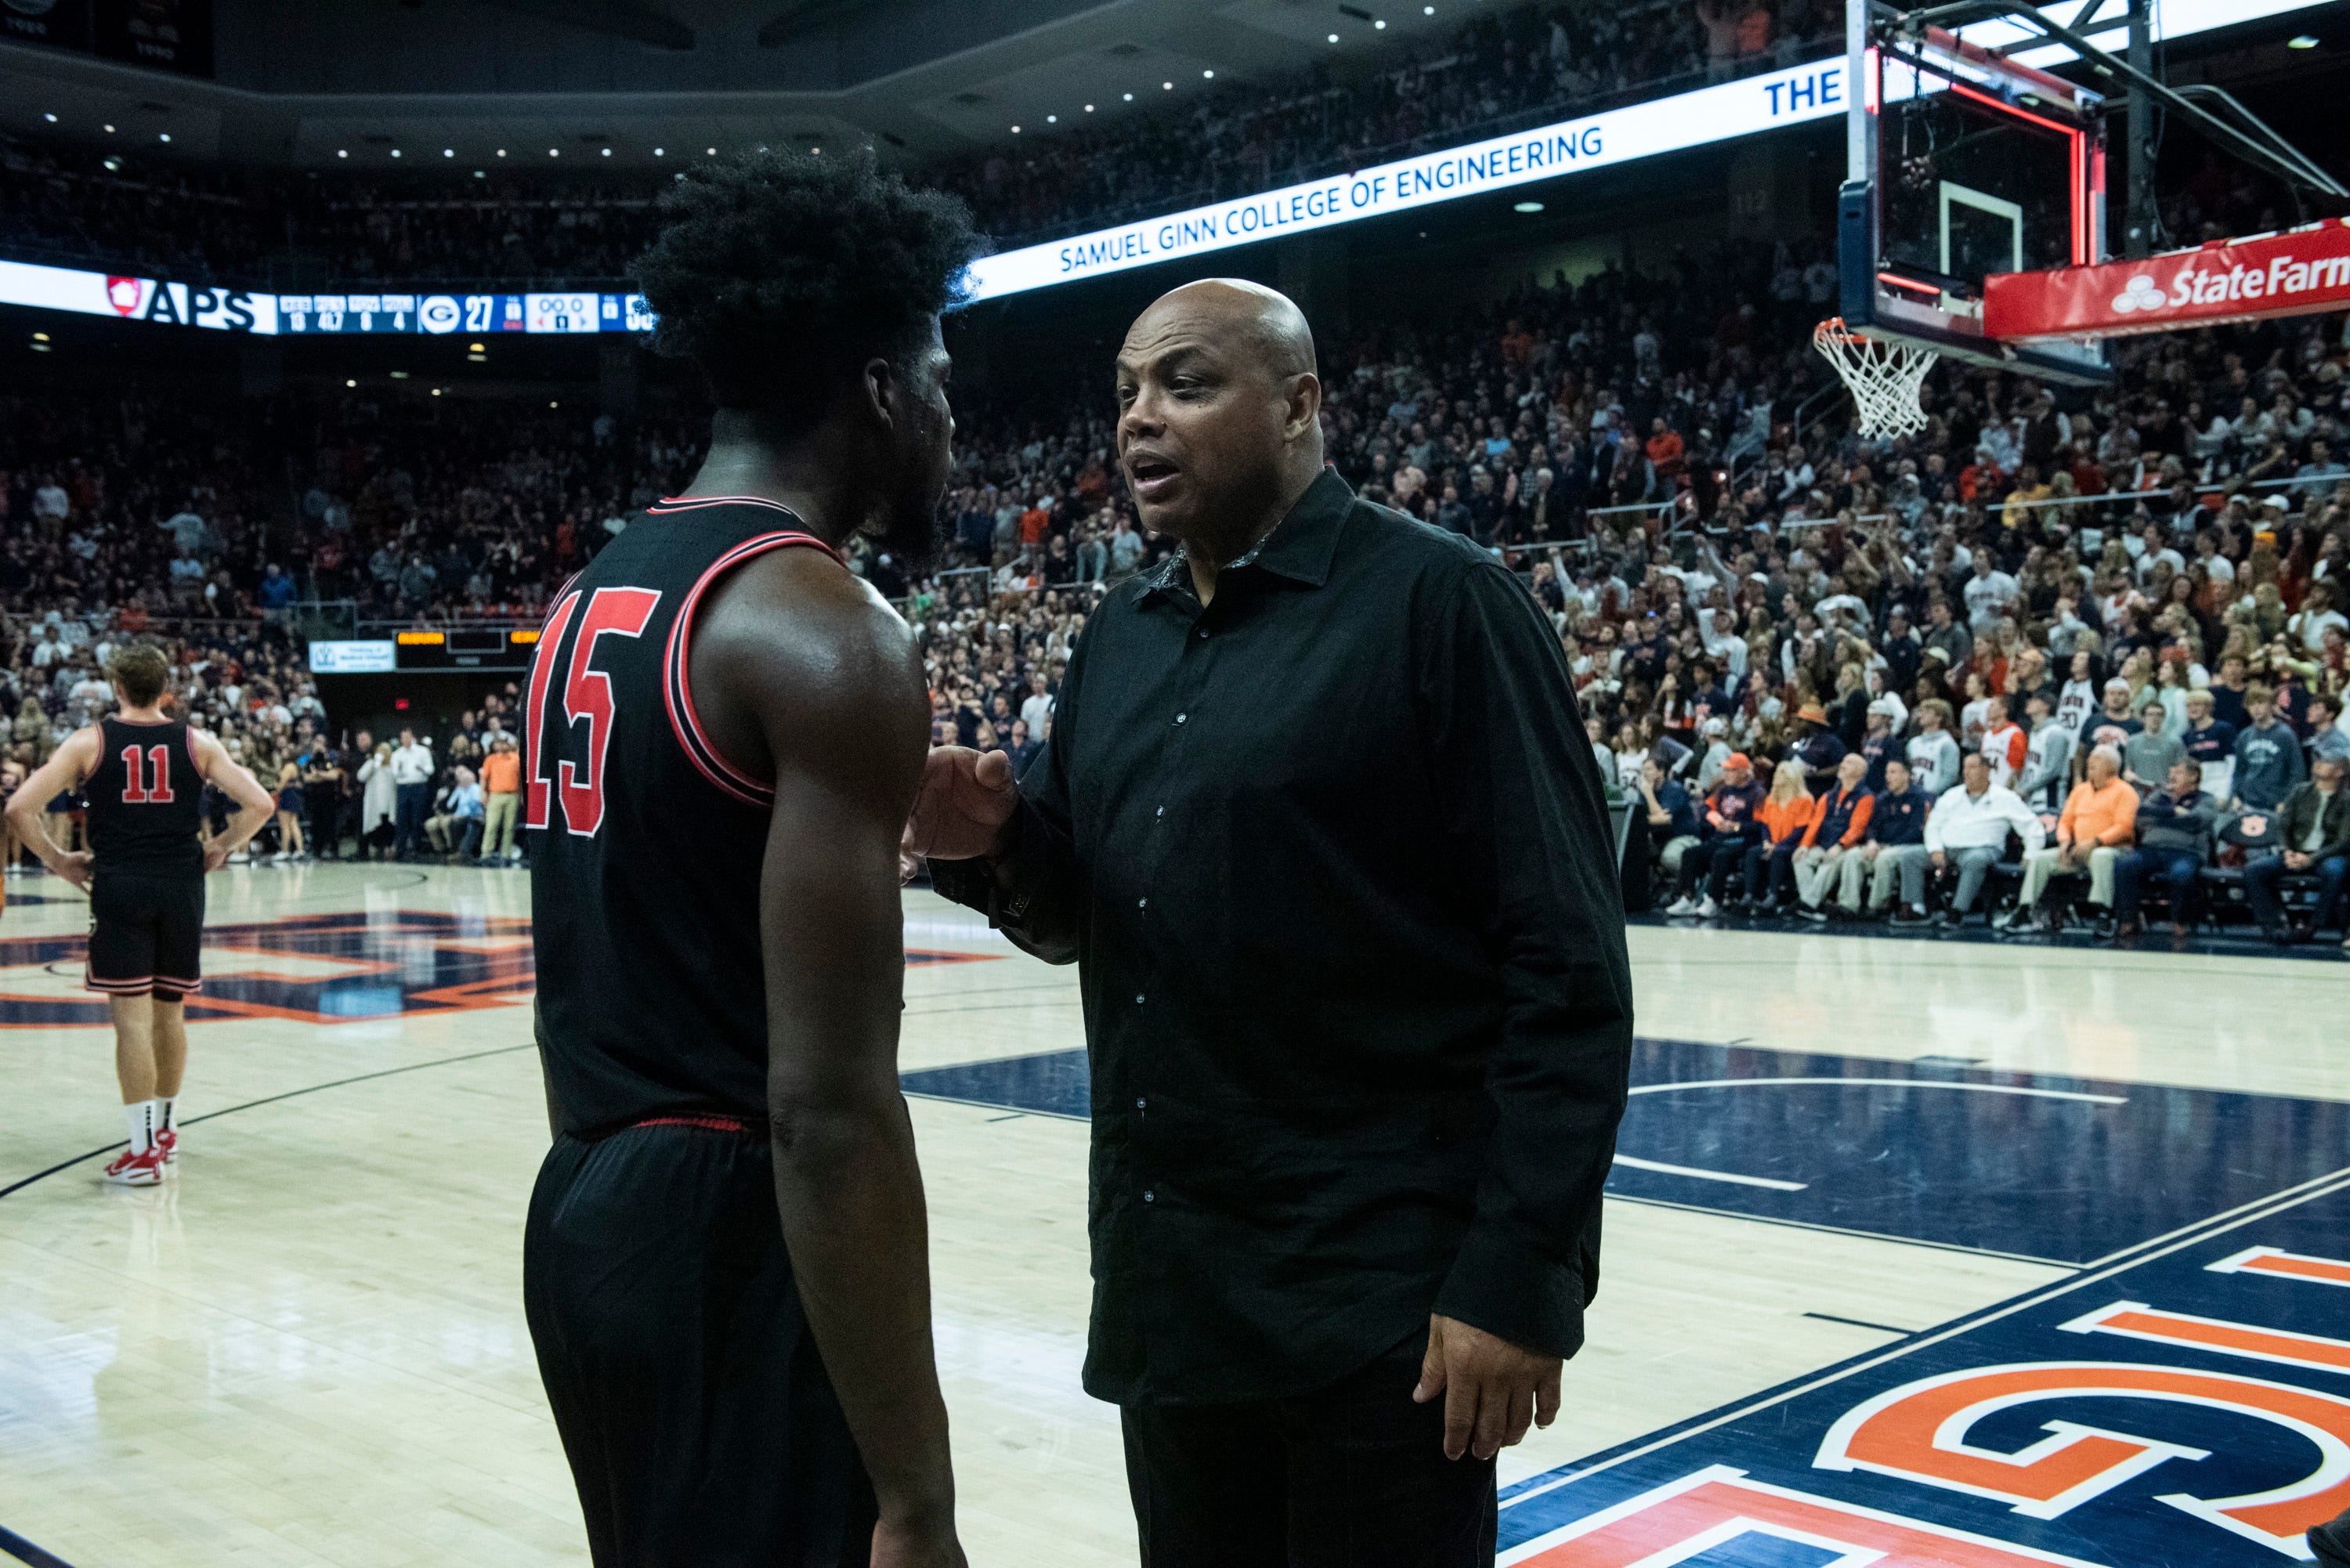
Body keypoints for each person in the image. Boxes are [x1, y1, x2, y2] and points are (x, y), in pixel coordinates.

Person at [909, 276, 1632, 1567]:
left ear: (1300, 403)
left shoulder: (1443, 604)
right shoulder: (1116, 640)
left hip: (1385, 1317)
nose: (1141, 420)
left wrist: (1519, 1278)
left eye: (1185, 384)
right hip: (1173, 1294)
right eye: (1127, 391)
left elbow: (1568, 967)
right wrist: (1002, 843)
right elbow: (1082, 915)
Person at [522, 151, 976, 1567]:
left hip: (588, 1199)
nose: (956, 416)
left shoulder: (590, 591)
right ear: (884, 390)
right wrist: (919, 1496)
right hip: (731, 1227)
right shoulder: (825, 628)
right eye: (943, 378)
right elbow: (827, 1108)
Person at [3, 644, 273, 1187]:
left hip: (121, 884)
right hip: (180, 886)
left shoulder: (89, 742)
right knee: (169, 1015)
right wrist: (220, 846)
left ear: (117, 687)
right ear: (165, 688)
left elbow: (17, 808)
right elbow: (262, 804)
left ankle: (142, 1150)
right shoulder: (198, 742)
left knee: (131, 1022)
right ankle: (166, 1133)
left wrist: (59, 861)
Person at [2010, 744, 2136, 935]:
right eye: (2091, 758)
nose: (2090, 762)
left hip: (2113, 850)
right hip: (2077, 850)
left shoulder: (2125, 792)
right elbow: (2065, 821)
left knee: (2100, 856)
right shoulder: (2080, 790)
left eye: (2097, 759)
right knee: (2040, 859)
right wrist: (2064, 843)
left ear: (2112, 767)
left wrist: (2094, 842)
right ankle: (2024, 910)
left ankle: (2104, 915)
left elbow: (2124, 828)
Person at [1923, 752, 2045, 928]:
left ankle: (1957, 912)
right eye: (1965, 768)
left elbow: (2032, 826)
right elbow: (1933, 825)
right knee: (1909, 856)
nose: (1966, 772)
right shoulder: (1952, 795)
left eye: (1972, 767)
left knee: (1975, 860)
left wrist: (2031, 853)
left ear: (1986, 771)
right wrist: (1936, 848)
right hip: (1947, 849)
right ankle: (1914, 910)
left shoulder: (2005, 797)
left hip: (1984, 849)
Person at [2111, 758, 2221, 940]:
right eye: (2171, 773)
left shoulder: (2207, 799)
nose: (2171, 776)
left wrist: (2160, 816)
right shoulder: (2159, 795)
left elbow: (2195, 821)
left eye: (2178, 772)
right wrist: (2175, 812)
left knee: (2182, 874)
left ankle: (2180, 923)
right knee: (2124, 865)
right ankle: (2129, 919)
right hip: (2151, 850)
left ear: (2194, 777)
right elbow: (2141, 816)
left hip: (2186, 852)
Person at [2243, 757, 2348, 945]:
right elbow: (2283, 825)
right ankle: (2275, 924)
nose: (2317, 781)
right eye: (2315, 774)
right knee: (2255, 870)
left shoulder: (2346, 799)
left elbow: (2343, 841)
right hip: (2295, 852)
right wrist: (2286, 851)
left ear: (2339, 774)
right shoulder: (2300, 791)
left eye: (2323, 776)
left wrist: (2312, 858)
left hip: (2326, 855)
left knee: (2336, 871)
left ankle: (2314, 926)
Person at [1666, 750, 1767, 917]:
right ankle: (1688, 899)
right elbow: (1706, 808)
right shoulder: (1724, 790)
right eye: (1725, 770)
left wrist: (1735, 827)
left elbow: (1759, 824)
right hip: (1721, 838)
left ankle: (1714, 900)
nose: (1725, 774)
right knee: (1690, 853)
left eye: (1730, 770)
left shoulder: (1757, 793)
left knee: (1721, 856)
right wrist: (1716, 820)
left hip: (1743, 841)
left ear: (1743, 772)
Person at [1794, 752, 1873, 921]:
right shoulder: (1828, 795)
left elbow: (1858, 829)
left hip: (1847, 847)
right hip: (1824, 845)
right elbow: (1816, 822)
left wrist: (1840, 845)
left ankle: (1808, 903)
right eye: (1843, 761)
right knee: (1800, 859)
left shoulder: (1865, 797)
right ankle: (1814, 904)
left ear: (1859, 772)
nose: (1842, 765)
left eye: (1849, 763)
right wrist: (1804, 845)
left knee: (1830, 862)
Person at [2232, 685, 2307, 810]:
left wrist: (2287, 800)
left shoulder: (2285, 734)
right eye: (2251, 704)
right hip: (2249, 802)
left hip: (2276, 803)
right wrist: (2236, 795)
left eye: (2261, 703)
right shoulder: (2244, 736)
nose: (2256, 708)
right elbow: (2240, 770)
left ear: (2272, 705)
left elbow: (2297, 771)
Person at [389, 728, 434, 858]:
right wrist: (401, 770)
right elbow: (394, 773)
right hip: (403, 787)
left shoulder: (422, 751)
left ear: (412, 737)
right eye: (403, 737)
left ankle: (416, 849)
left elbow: (430, 769)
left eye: (408, 737)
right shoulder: (397, 754)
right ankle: (400, 849)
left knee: (417, 818)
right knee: (402, 819)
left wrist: (422, 769)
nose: (405, 740)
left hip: (418, 787)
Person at [478, 734, 522, 864]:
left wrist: (521, 796)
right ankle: (486, 853)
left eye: (506, 743)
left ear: (511, 745)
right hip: (496, 794)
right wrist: (483, 793)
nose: (503, 745)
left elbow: (520, 779)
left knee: (509, 827)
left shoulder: (517, 759)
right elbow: (484, 777)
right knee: (491, 824)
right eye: (501, 743)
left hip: (512, 795)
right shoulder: (491, 759)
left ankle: (506, 854)